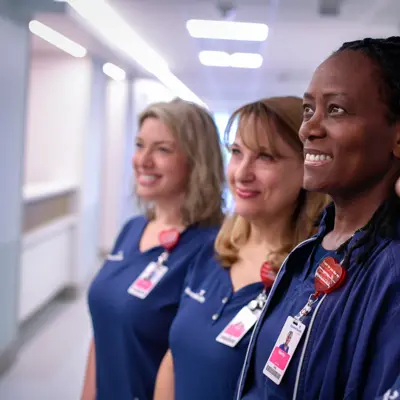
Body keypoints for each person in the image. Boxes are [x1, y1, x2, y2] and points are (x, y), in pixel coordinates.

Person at [235, 36, 400, 400]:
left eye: (337, 109)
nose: (308, 128)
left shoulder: (391, 273)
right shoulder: (309, 252)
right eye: (309, 110)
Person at [153, 97, 329, 400]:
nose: (242, 173)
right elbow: (174, 359)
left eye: (266, 157)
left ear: (305, 168)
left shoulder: (311, 278)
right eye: (236, 152)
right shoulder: (213, 251)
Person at [81, 98, 225, 400]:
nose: (143, 160)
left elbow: (192, 361)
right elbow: (103, 330)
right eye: (139, 145)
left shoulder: (212, 250)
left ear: (196, 161)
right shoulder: (132, 229)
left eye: (162, 149)